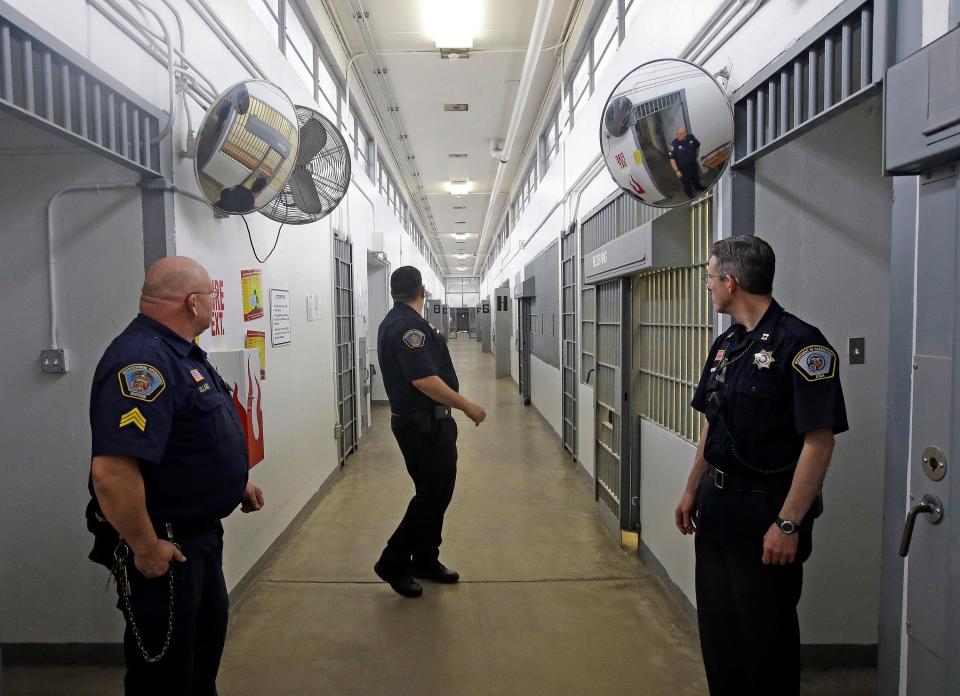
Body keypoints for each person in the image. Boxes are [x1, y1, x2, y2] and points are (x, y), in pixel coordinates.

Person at [674, 236, 847, 696]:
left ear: (731, 282)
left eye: (710, 279)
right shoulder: (727, 345)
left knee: (765, 640)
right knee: (720, 634)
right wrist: (693, 489)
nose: (708, 287)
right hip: (718, 507)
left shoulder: (803, 345)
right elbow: (713, 424)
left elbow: (819, 442)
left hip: (767, 512)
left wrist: (788, 523)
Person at [87, 256, 264, 695]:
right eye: (211, 298)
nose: (213, 306)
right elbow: (112, 471)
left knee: (198, 663)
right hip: (167, 548)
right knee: (164, 678)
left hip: (196, 542)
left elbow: (189, 437)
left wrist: (233, 481)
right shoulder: (143, 362)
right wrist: (146, 549)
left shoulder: (180, 353)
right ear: (192, 302)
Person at [374, 266, 487, 598]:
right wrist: (467, 406)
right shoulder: (409, 327)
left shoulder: (394, 321)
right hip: (421, 424)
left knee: (437, 492)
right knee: (432, 494)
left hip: (426, 422)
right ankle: (393, 561)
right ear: (422, 291)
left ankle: (425, 558)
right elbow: (423, 380)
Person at [669, 126, 705, 198]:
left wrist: (697, 157)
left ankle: (698, 187)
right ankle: (689, 193)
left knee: (696, 178)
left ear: (685, 133)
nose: (678, 136)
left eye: (681, 134)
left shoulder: (691, 137)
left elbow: (697, 146)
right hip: (682, 169)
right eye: (677, 134)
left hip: (693, 165)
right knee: (686, 183)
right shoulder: (673, 144)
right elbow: (671, 159)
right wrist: (677, 171)